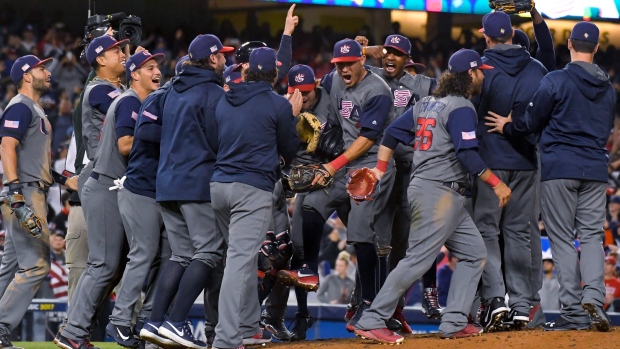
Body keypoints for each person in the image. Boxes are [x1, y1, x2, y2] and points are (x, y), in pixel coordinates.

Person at [352, 49, 510, 344]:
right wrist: (496, 183)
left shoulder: (427, 103)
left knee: (474, 253)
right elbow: (467, 154)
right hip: (439, 192)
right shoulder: (462, 106)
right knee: (418, 260)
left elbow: (391, 133)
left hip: (439, 191)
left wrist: (380, 169)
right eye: (480, 71)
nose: (483, 75)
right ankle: (372, 319)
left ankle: (454, 321)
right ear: (469, 75)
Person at [485, 21, 615, 332]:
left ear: (569, 44)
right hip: (595, 169)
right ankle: (595, 300)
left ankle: (574, 311)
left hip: (559, 168)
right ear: (596, 48)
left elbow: (530, 122)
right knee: (592, 237)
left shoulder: (556, 80)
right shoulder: (609, 89)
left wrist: (507, 126)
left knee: (562, 240)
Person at [278, 38, 397, 334]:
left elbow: (368, 138)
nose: (343, 68)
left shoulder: (378, 90)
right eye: (339, 64)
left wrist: (331, 165)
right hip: (344, 165)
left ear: (361, 64)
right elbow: (314, 82)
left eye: (349, 63)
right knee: (312, 205)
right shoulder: (333, 80)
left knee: (359, 232)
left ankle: (368, 303)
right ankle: (309, 270)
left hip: (373, 164)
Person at [57, 44, 151, 349]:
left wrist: (139, 69)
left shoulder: (120, 90)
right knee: (102, 265)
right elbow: (134, 110)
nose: (121, 55)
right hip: (104, 180)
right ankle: (73, 331)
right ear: (99, 59)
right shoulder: (99, 90)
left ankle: (76, 329)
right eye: (114, 51)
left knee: (115, 265)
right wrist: (140, 73)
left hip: (113, 182)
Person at [144, 34, 231, 349]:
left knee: (180, 254)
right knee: (208, 251)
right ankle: (176, 322)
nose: (224, 59)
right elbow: (219, 140)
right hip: (195, 182)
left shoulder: (171, 90)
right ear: (211, 59)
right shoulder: (212, 92)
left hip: (166, 183)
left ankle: (154, 322)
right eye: (221, 55)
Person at [210, 47, 300, 349]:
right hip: (252, 189)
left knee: (242, 259)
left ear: (246, 71)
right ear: (274, 73)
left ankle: (248, 327)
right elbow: (289, 148)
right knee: (239, 261)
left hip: (219, 187)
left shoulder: (225, 99)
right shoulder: (277, 105)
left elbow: (213, 139)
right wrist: (292, 116)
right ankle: (225, 339)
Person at [356, 33, 440, 327]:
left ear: (407, 60)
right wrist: (364, 49)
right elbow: (341, 69)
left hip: (407, 170)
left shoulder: (421, 83)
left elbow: (447, 96)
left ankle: (397, 305)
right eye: (387, 52)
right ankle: (366, 302)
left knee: (406, 239)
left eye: (397, 54)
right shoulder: (369, 75)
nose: (390, 57)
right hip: (376, 168)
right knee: (375, 237)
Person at [472, 11, 547, 331]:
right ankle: (520, 303)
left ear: (487, 37)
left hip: (489, 164)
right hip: (527, 161)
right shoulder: (538, 69)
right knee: (518, 233)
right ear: (513, 34)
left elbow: (464, 113)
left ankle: (495, 298)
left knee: (487, 231)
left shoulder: (478, 69)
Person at [261, 64, 336, 341]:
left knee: (299, 248)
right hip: (287, 180)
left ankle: (361, 305)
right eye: (296, 91)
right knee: (284, 251)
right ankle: (263, 317)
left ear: (315, 85)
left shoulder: (331, 98)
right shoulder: (283, 107)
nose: (302, 97)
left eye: (306, 92)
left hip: (327, 175)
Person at [105, 50, 166, 348]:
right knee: (142, 254)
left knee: (161, 256)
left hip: (150, 191)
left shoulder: (149, 102)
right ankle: (119, 320)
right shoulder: (130, 100)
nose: (157, 71)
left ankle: (148, 320)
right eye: (149, 67)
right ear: (134, 74)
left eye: (158, 67)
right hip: (136, 190)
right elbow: (125, 145)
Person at [0, 54, 55, 349]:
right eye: (41, 68)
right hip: (25, 194)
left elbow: (32, 156)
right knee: (36, 266)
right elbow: (6, 146)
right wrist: (16, 193)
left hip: (30, 189)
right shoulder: (21, 106)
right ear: (26, 75)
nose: (48, 72)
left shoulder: (32, 108)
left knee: (9, 267)